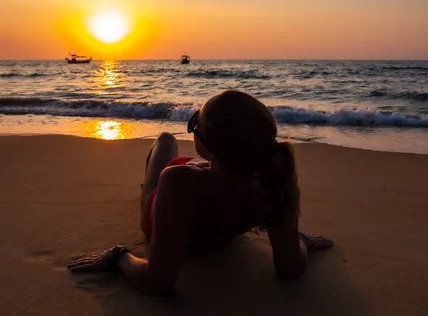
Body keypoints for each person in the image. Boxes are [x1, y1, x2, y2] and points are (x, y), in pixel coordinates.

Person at [68, 90, 332, 296]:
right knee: (190, 165)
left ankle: (152, 179)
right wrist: (298, 240)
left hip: (165, 206)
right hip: (209, 181)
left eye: (196, 124)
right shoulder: (274, 175)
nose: (193, 126)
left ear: (211, 147)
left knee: (165, 140)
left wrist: (118, 257)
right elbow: (291, 269)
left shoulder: (175, 181)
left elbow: (156, 283)